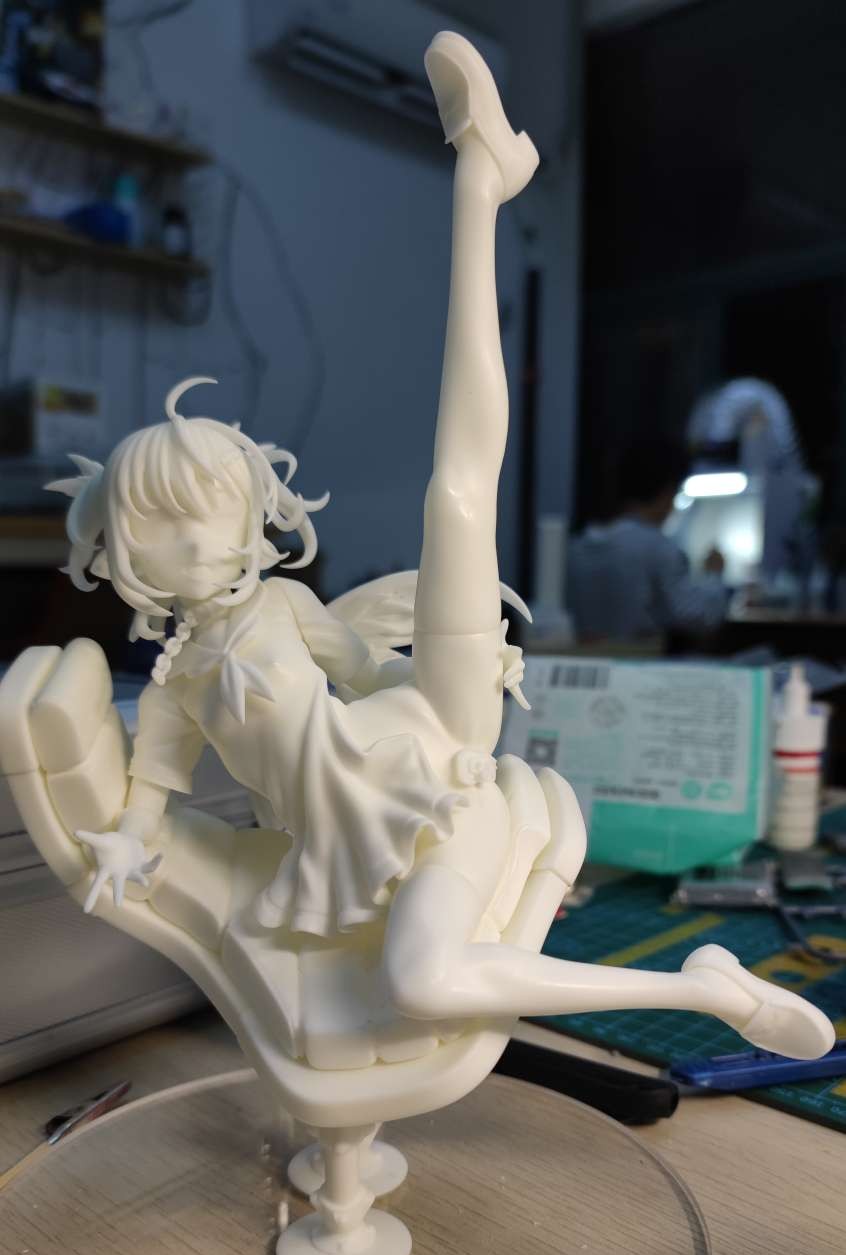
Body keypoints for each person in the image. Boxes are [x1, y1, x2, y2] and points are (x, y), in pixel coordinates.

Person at [62, 32, 830, 1060]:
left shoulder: (282, 606)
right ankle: (708, 991)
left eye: (210, 507)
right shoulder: (177, 685)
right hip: (362, 840)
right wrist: (120, 846)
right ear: (121, 545)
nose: (191, 537)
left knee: (459, 490)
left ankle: (482, 184)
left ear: (249, 519)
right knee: (424, 980)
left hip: (430, 732)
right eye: (158, 522)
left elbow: (362, 667)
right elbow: (149, 800)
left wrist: (461, 672)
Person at [567, 438, 728, 643]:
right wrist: (714, 576)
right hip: (641, 658)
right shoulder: (657, 548)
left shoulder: (580, 545)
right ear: (667, 492)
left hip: (585, 656)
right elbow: (698, 618)